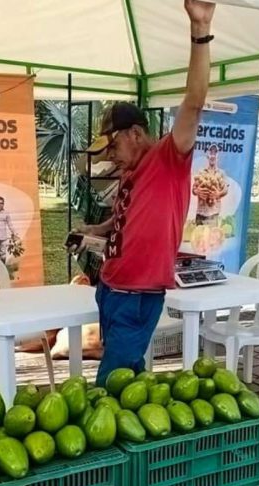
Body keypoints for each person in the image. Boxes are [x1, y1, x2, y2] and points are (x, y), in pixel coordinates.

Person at [72, 0, 215, 387]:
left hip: (137, 297)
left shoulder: (169, 157)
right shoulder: (132, 172)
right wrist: (95, 230)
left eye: (113, 146)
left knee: (108, 388)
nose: (111, 156)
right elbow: (127, 221)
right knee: (132, 383)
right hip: (111, 290)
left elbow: (195, 101)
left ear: (135, 134)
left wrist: (199, 30)